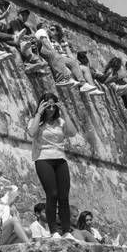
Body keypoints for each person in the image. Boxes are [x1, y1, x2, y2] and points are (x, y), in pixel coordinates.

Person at [27, 93, 78, 239]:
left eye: (53, 106)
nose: (50, 109)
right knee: (52, 194)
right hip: (43, 159)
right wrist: (38, 114)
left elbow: (72, 133)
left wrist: (65, 113)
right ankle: (54, 231)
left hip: (60, 159)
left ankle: (66, 231)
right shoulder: (36, 121)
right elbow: (32, 133)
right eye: (47, 106)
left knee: (64, 196)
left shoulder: (60, 122)